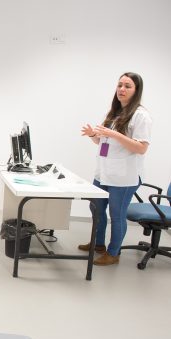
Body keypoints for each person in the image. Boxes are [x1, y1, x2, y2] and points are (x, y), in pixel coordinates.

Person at [79, 72, 152, 266]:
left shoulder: (141, 116)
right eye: (120, 85)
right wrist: (93, 135)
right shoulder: (114, 112)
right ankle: (99, 244)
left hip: (124, 176)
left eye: (128, 86)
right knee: (96, 207)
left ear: (136, 90)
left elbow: (141, 148)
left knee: (116, 214)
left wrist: (114, 134)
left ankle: (113, 253)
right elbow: (102, 142)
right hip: (104, 172)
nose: (122, 89)